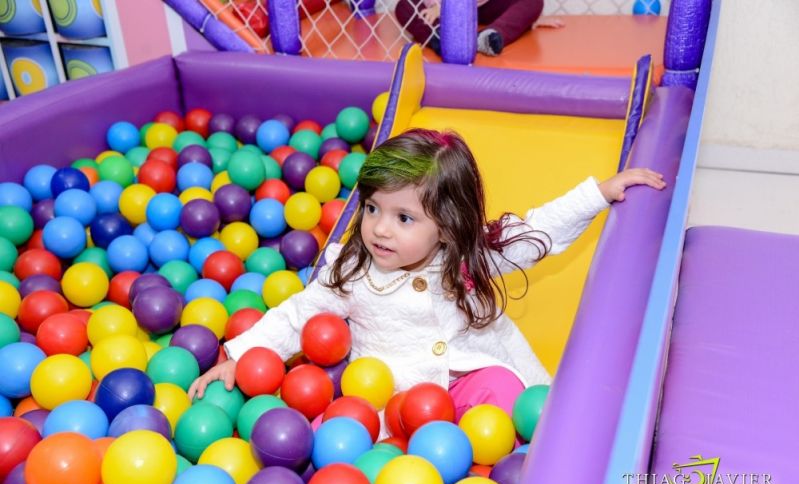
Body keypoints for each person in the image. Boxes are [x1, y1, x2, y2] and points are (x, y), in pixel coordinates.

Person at [188, 128, 665, 422]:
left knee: (508, 397)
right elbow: (299, 315)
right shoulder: (351, 268)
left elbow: (535, 230)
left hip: (468, 376)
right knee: (341, 432)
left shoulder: (468, 254)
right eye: (372, 208)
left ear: (447, 223)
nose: (378, 228)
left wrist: (599, 194)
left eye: (404, 218)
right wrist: (241, 355)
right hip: (392, 397)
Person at [394, 0, 556, 57]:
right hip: (437, 14)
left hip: (484, 7)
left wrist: (526, 18)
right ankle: (442, 39)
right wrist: (439, 7)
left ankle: (488, 37)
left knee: (533, 1)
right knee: (404, 7)